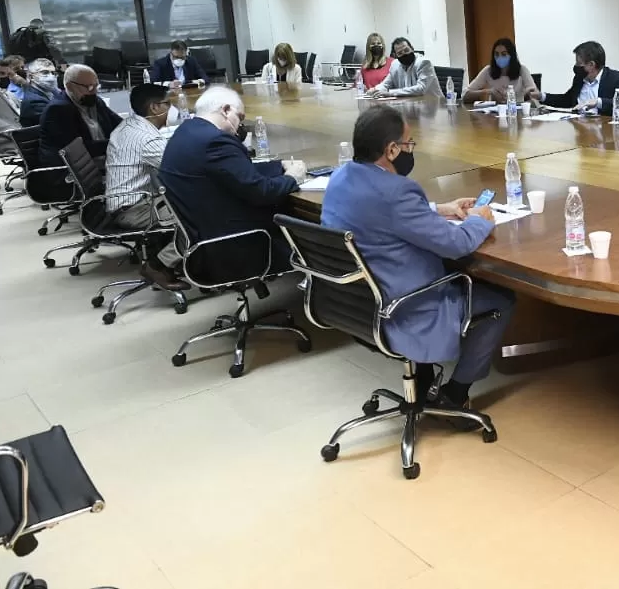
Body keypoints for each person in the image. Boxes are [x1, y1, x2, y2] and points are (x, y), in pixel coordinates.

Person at [321, 105, 516, 414]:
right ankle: (456, 394)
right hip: (406, 308)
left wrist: (440, 209)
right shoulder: (398, 191)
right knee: (501, 300)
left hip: (356, 304)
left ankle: (423, 374)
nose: (412, 150)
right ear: (392, 149)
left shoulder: (341, 176)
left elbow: (378, 212)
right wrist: (481, 219)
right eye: (409, 144)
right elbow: (456, 244)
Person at [159, 86, 304, 282]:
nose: (241, 124)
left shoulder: (187, 131)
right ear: (225, 110)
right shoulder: (215, 141)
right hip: (237, 243)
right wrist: (292, 178)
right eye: (240, 117)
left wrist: (279, 165)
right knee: (306, 219)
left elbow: (233, 172)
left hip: (208, 232)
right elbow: (261, 192)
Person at [105, 83, 187, 291]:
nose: (171, 108)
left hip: (127, 202)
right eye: (167, 103)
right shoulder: (146, 138)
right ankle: (158, 265)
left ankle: (179, 259)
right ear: (154, 108)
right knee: (201, 212)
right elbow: (183, 168)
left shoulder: (131, 125)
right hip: (134, 209)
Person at [39, 64, 122, 166]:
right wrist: (116, 143)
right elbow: (78, 150)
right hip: (72, 170)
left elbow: (119, 123)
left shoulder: (95, 101)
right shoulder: (57, 110)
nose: (95, 91)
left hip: (101, 160)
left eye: (96, 86)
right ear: (70, 86)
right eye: (90, 87)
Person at [543, 40, 619, 117]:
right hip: (580, 129)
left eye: (579, 63)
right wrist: (541, 96)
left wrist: (598, 102)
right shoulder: (579, 79)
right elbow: (567, 99)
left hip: (605, 132)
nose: (576, 66)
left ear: (591, 65)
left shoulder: (616, 78)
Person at [462, 37, 541, 105]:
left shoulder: (522, 70)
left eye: (504, 54)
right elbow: (465, 95)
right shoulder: (488, 70)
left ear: (511, 55)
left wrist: (529, 93)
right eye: (496, 54)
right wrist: (488, 92)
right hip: (494, 116)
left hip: (517, 113)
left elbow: (535, 94)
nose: (499, 57)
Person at [19, 59, 59, 127]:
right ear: (31, 77)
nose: (51, 77)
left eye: (53, 73)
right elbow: (59, 122)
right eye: (45, 72)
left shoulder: (52, 92)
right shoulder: (34, 101)